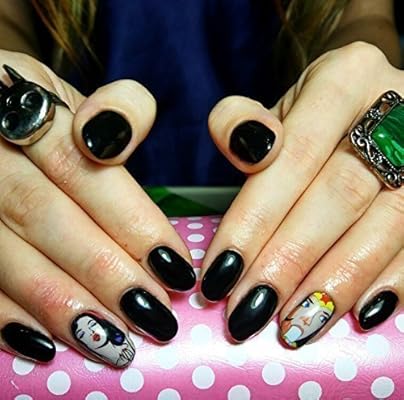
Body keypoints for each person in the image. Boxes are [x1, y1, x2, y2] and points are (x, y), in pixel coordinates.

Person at [0, 0, 402, 367]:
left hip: (304, 191)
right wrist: (10, 88)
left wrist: (365, 93)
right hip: (60, 195)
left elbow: (363, 16)